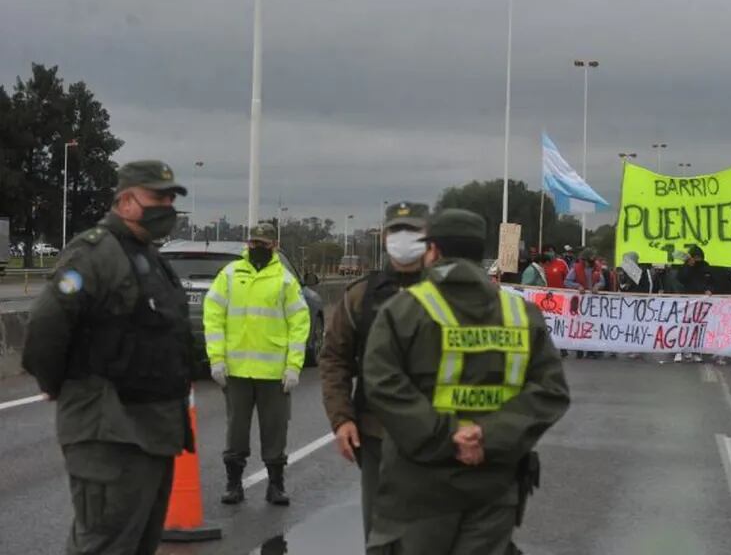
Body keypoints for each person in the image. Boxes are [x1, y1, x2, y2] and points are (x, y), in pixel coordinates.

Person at [362, 209, 571, 555]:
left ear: (434, 251)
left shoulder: (403, 310)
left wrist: (448, 436)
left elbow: (382, 385)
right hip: (494, 487)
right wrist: (486, 436)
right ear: (478, 252)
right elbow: (551, 392)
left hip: (420, 489)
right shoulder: (521, 315)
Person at [22, 160, 195, 555]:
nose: (166, 206)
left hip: (152, 434)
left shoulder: (148, 258)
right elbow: (46, 324)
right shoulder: (95, 254)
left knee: (138, 546)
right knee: (103, 546)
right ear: (126, 201)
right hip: (109, 435)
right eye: (158, 197)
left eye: (171, 198)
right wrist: (59, 384)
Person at [320, 201, 427, 538]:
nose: (404, 238)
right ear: (384, 237)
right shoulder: (360, 297)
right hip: (377, 433)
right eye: (397, 231)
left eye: (413, 231)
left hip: (439, 435)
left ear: (428, 238)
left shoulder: (450, 293)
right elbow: (334, 358)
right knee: (381, 534)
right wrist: (342, 418)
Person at [204, 222, 311, 506]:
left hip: (274, 374)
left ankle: (275, 485)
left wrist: (293, 366)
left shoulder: (284, 280)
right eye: (253, 243)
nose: (257, 248)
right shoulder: (229, 275)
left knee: (275, 430)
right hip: (237, 372)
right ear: (246, 244)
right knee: (236, 430)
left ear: (273, 245)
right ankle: (233, 484)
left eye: (262, 244)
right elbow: (213, 317)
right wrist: (216, 359)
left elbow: (299, 325)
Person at [675, 245, 714, 363]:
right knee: (685, 325)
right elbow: (681, 278)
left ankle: (696, 351)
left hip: (702, 299)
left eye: (699, 257)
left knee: (698, 326)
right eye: (695, 257)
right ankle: (679, 350)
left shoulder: (706, 266)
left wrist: (709, 289)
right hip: (687, 299)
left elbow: (711, 281)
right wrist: (688, 266)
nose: (697, 260)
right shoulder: (686, 266)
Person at [565, 248, 605, 358]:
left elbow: (602, 281)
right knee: (579, 324)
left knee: (592, 325)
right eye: (588, 261)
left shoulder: (597, 268)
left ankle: (591, 350)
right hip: (580, 302)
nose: (590, 263)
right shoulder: (576, 268)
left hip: (593, 303)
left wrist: (598, 286)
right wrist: (577, 286)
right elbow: (567, 281)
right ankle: (579, 349)